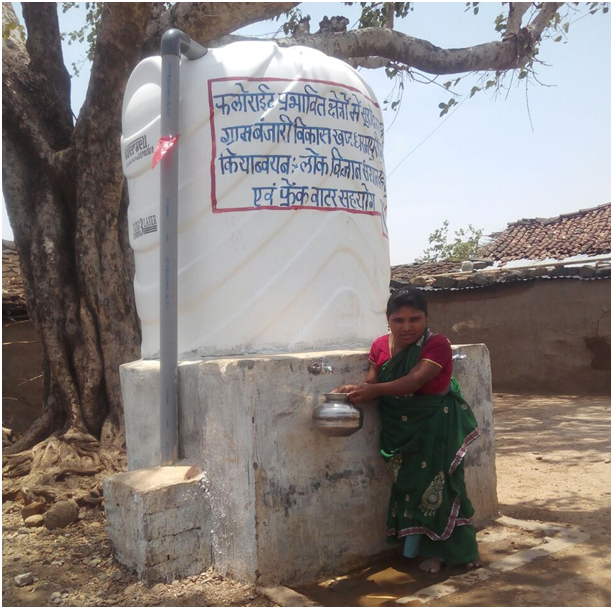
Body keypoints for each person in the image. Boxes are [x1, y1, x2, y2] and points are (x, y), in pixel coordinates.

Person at [334, 288, 481, 574]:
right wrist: (353, 390)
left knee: (442, 485)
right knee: (411, 487)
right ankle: (416, 547)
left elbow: (415, 380)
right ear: (388, 320)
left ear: (426, 318)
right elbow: (373, 382)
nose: (407, 326)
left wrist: (373, 390)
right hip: (398, 427)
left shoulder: (436, 343)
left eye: (415, 319)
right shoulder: (379, 346)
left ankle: (451, 551)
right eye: (398, 320)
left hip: (436, 424)